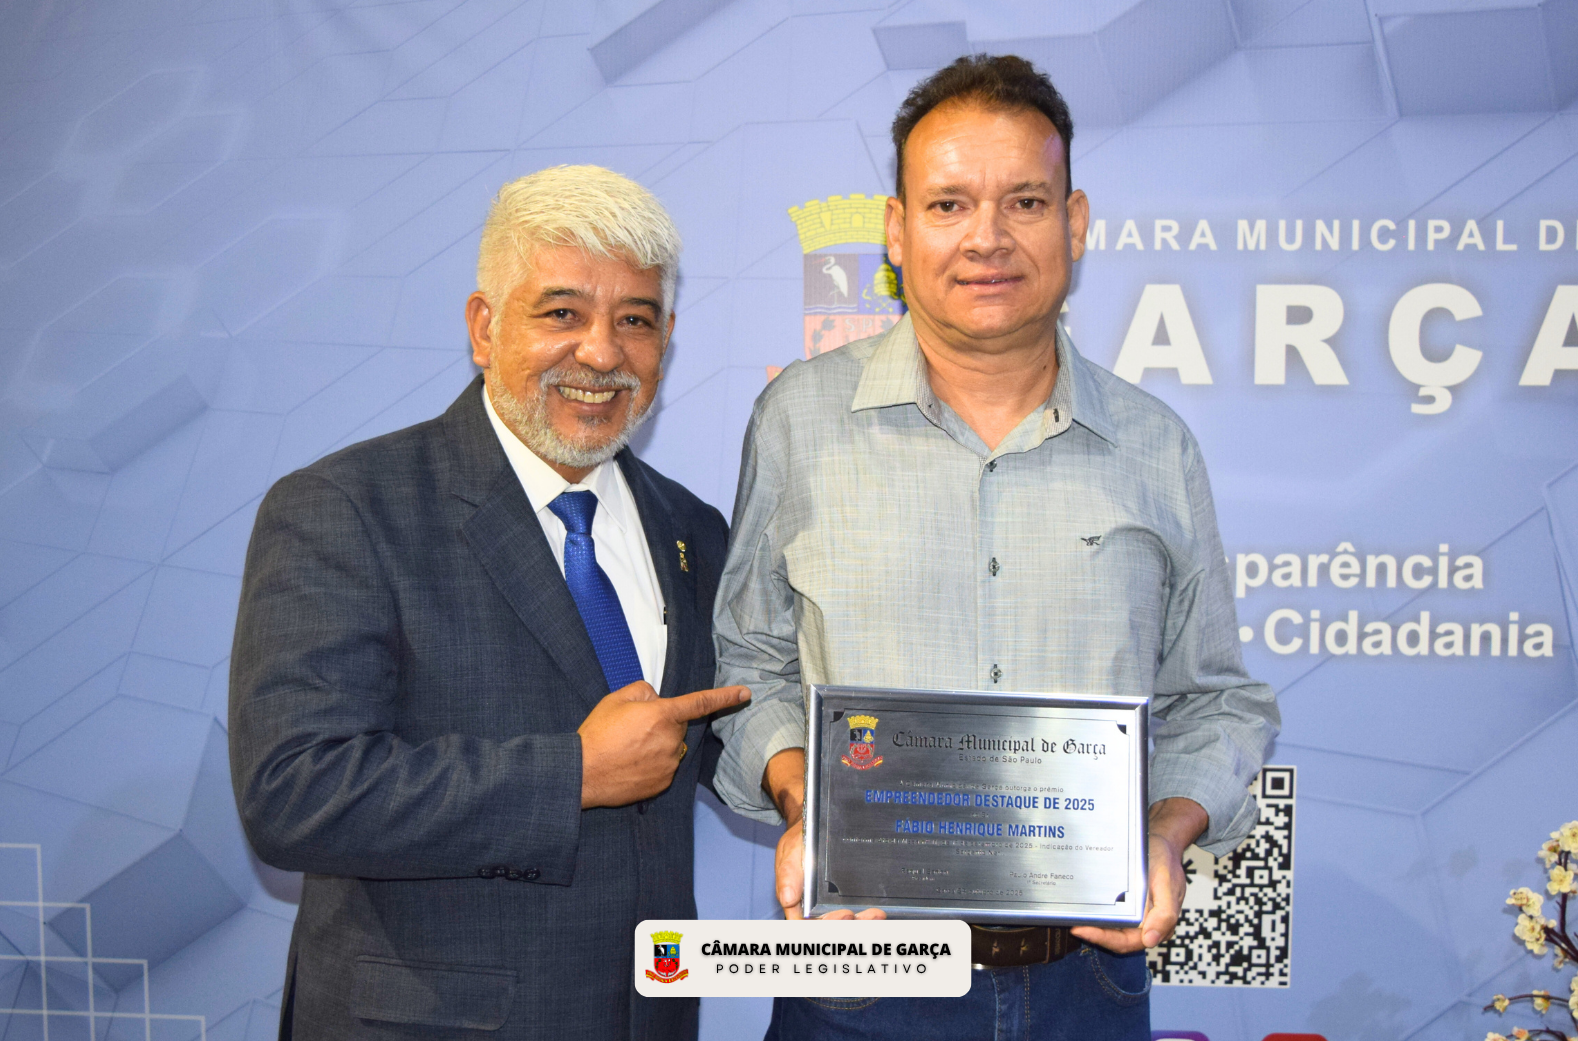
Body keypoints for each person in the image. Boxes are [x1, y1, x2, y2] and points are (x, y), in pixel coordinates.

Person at [709, 55, 1281, 1038]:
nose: (987, 237)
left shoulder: (1156, 447)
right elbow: (749, 666)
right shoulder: (799, 421)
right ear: (896, 231)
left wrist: (1165, 829)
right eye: (949, 204)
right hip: (860, 976)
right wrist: (811, 808)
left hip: (1087, 985)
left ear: (1075, 222)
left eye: (1025, 201)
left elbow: (1217, 700)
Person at [229, 164, 748, 1041]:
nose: (602, 353)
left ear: (666, 338)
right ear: (484, 326)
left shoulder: (690, 528)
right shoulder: (347, 507)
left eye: (635, 319)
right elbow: (295, 792)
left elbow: (715, 738)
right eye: (562, 313)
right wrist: (572, 774)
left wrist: (825, 796)